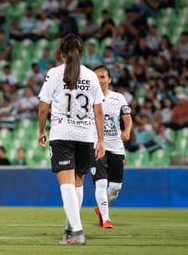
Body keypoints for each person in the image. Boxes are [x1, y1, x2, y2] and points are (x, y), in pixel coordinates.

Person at [37, 34, 105, 245]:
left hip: (62, 135)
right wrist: (101, 139)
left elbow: (43, 107)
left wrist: (41, 130)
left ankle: (76, 231)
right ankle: (70, 228)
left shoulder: (55, 74)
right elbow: (99, 111)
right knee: (78, 183)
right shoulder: (92, 77)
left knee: (65, 184)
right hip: (86, 136)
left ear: (62, 53)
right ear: (81, 53)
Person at [90, 65, 132, 229]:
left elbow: (127, 117)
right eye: (96, 77)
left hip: (116, 146)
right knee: (101, 182)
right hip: (96, 144)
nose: (99, 80)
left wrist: (127, 130)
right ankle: (106, 219)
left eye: (102, 77)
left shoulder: (119, 98)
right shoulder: (88, 98)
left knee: (115, 187)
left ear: (109, 79)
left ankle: (100, 208)